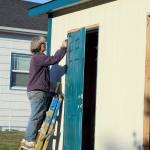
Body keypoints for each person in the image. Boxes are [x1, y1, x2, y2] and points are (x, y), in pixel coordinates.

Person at [20, 36, 67, 149]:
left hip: (37, 91)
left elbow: (44, 76)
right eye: (42, 43)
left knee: (39, 114)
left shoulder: (37, 58)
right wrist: (63, 48)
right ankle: (29, 140)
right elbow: (53, 60)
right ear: (38, 46)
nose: (44, 45)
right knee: (36, 116)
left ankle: (28, 138)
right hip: (37, 92)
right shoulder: (39, 57)